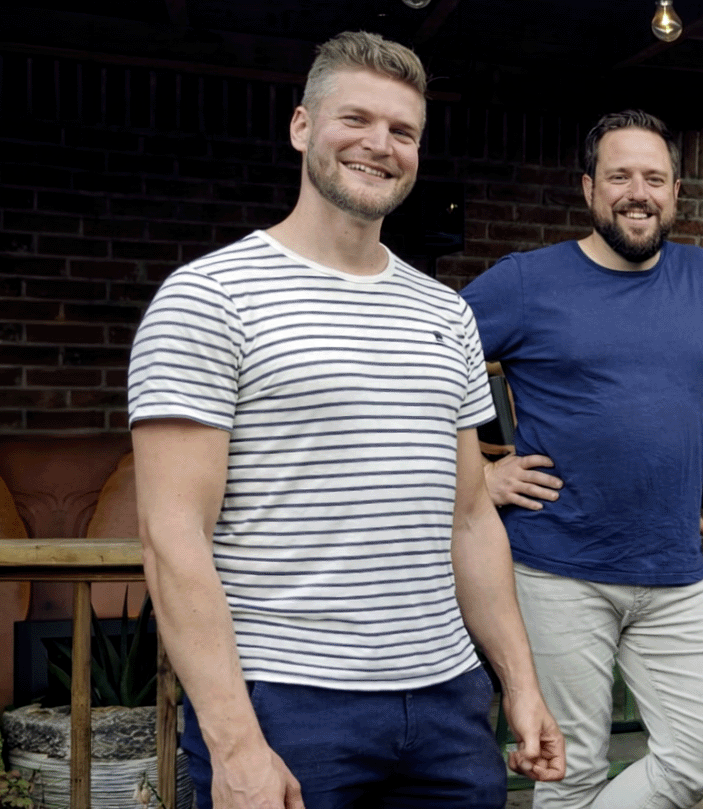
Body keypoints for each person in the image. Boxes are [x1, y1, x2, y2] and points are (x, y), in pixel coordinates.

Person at [126, 31, 564, 809]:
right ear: (302, 126)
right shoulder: (209, 298)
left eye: (402, 130)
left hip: (448, 703)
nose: (379, 145)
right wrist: (235, 744)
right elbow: (173, 537)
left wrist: (520, 684)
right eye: (355, 119)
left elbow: (470, 518)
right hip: (287, 704)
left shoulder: (446, 314)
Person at [459, 110, 703, 809]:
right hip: (557, 568)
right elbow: (412, 368)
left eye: (654, 178)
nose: (639, 193)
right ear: (588, 188)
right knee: (569, 768)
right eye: (620, 177)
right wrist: (479, 474)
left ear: (676, 192)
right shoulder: (526, 281)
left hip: (673, 567)